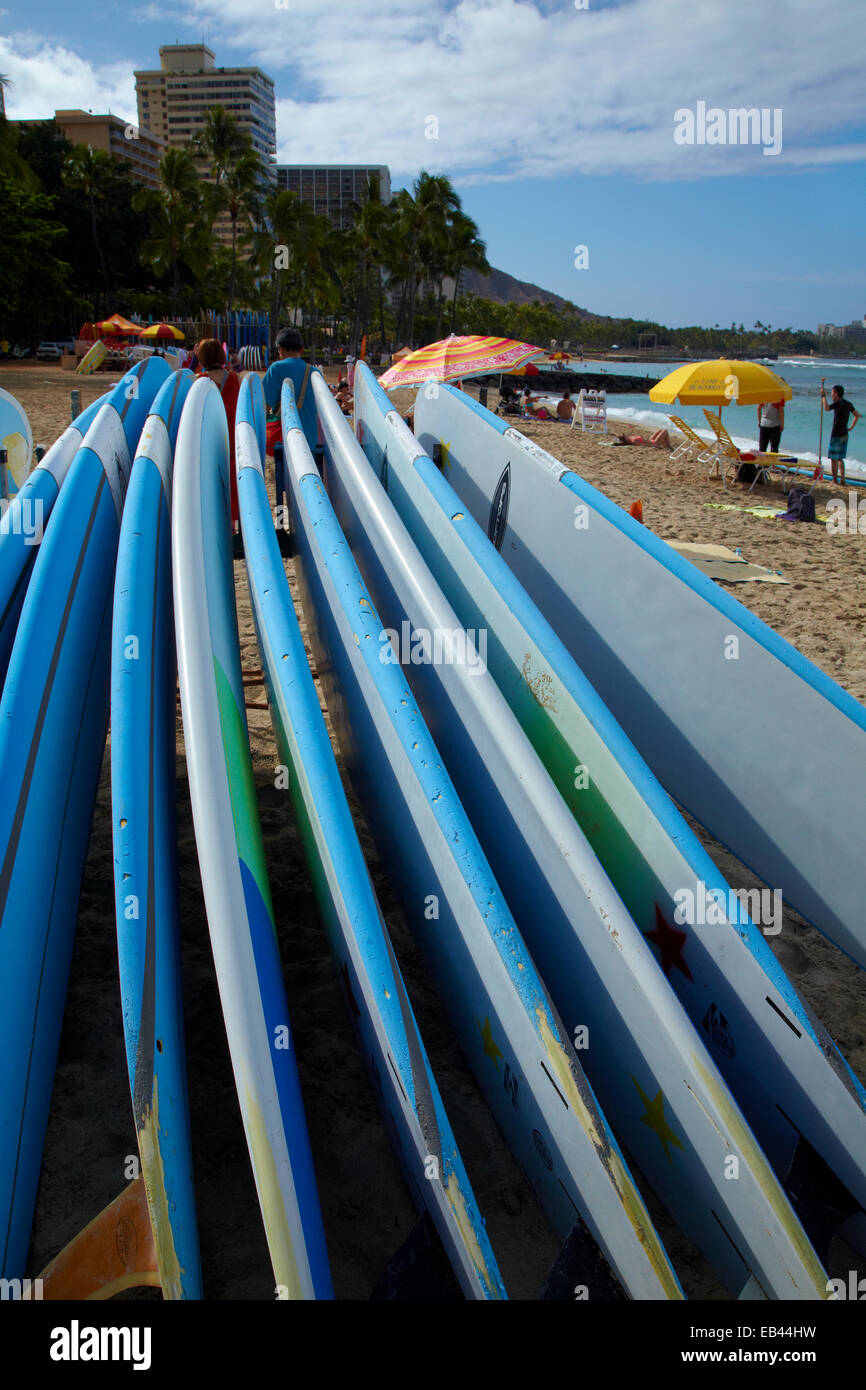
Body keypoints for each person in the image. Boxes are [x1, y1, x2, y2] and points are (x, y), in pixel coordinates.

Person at [197, 338, 241, 529]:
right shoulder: (233, 379)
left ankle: (213, 525)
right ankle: (231, 527)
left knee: (209, 481)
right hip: (230, 437)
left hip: (208, 440)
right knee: (231, 483)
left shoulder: (199, 381)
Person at [262, 328, 321, 455]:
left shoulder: (276, 369)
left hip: (286, 438)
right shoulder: (315, 372)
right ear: (302, 349)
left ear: (280, 349)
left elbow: (263, 405)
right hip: (311, 439)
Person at [820, 382, 860, 486]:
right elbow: (857, 415)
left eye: (832, 393)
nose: (831, 395)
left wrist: (823, 396)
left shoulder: (838, 403)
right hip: (845, 434)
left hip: (837, 434)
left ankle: (835, 480)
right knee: (840, 458)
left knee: (834, 458)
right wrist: (850, 427)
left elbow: (827, 408)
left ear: (837, 394)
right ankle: (842, 479)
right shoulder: (848, 403)